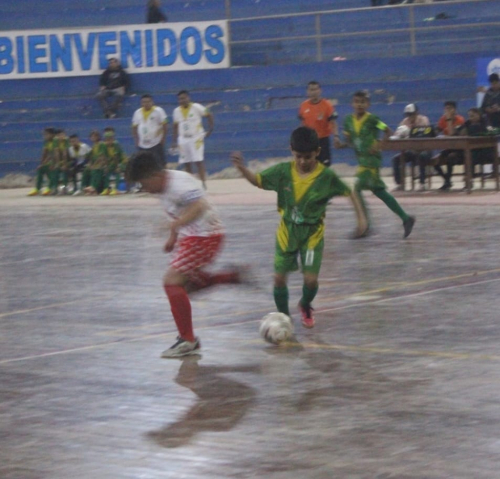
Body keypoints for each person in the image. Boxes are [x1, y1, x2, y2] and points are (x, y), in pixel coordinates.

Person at [231, 127, 368, 329]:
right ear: (291, 151)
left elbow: (350, 193)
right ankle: (284, 318)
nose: (303, 161)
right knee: (278, 279)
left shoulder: (326, 177)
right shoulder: (282, 172)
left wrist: (361, 220)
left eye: (308, 156)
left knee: (311, 281)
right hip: (287, 232)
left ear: (318, 152)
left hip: (312, 234)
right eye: (298, 156)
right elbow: (258, 181)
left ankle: (305, 304)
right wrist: (242, 169)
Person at [125, 151, 248, 358]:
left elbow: (199, 206)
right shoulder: (162, 187)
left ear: (153, 175)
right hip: (193, 236)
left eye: (143, 184)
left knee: (171, 282)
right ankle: (229, 277)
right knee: (185, 289)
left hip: (206, 236)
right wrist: (174, 235)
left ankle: (187, 340)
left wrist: (175, 225)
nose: (144, 189)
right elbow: (178, 211)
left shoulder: (179, 184)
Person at [335, 91, 415, 237]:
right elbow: (349, 141)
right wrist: (340, 144)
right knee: (380, 192)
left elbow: (387, 131)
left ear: (368, 104)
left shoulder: (373, 119)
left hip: (371, 161)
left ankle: (365, 225)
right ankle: (406, 218)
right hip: (362, 161)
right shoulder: (348, 121)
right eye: (356, 101)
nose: (359, 104)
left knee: (356, 189)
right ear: (352, 104)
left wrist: (379, 145)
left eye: (362, 102)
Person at [172, 90, 214, 189]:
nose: (182, 100)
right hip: (183, 139)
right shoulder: (176, 111)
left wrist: (210, 129)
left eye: (184, 98)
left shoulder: (196, 107)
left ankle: (203, 182)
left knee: (198, 160)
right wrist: (174, 141)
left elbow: (209, 115)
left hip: (196, 138)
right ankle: (190, 183)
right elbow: (175, 126)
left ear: (188, 98)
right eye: (180, 99)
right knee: (186, 162)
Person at [391, 103, 433, 192]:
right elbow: (397, 135)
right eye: (408, 115)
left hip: (425, 150)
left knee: (422, 156)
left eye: (411, 114)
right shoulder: (404, 122)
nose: (410, 117)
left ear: (416, 113)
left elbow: (427, 134)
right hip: (411, 151)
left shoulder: (424, 120)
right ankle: (400, 184)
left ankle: (422, 183)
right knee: (396, 159)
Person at [298, 81, 338, 167]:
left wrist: (336, 136)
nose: (313, 92)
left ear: (320, 90)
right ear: (307, 92)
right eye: (311, 90)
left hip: (323, 141)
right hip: (309, 141)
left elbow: (333, 122)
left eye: (315, 89)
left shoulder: (327, 105)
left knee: (324, 166)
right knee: (310, 166)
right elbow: (303, 123)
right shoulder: (303, 106)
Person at [459, 107, 496, 187]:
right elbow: (459, 131)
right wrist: (462, 130)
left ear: (478, 114)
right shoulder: (468, 122)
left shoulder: (486, 121)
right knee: (468, 155)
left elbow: (491, 131)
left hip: (487, 151)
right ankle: (469, 179)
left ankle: (469, 177)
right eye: (469, 116)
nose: (471, 118)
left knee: (470, 156)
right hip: (474, 150)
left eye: (472, 116)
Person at [434, 100, 465, 190]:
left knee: (450, 158)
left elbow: (452, 133)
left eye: (450, 108)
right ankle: (447, 180)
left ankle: (447, 182)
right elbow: (437, 130)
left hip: (459, 149)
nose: (447, 111)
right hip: (449, 148)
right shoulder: (442, 119)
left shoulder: (460, 120)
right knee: (435, 162)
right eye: (446, 108)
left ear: (455, 110)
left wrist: (449, 119)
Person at [132, 94, 168, 168]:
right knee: (145, 165)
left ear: (152, 102)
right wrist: (136, 140)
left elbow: (165, 125)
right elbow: (134, 127)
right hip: (142, 144)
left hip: (156, 143)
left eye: (148, 102)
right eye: (144, 102)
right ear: (141, 103)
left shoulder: (159, 111)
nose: (146, 104)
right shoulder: (137, 112)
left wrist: (163, 139)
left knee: (160, 164)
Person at [28, 127, 57, 196]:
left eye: (46, 134)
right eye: (44, 135)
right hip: (52, 160)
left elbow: (52, 154)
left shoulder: (56, 141)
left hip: (59, 160)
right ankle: (38, 188)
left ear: (52, 135)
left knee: (51, 167)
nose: (45, 136)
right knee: (41, 168)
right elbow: (45, 153)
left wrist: (45, 163)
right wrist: (41, 164)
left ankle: (50, 187)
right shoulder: (46, 142)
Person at [101, 129, 127, 196]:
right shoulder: (104, 146)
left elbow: (116, 158)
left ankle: (116, 189)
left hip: (121, 162)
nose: (108, 141)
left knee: (117, 171)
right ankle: (107, 188)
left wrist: (117, 166)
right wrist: (106, 166)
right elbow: (104, 157)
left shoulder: (116, 144)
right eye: (107, 139)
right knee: (106, 171)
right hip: (111, 163)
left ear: (113, 139)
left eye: (110, 139)